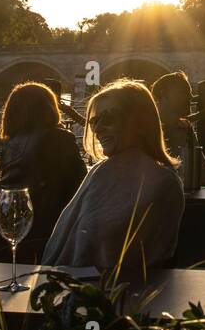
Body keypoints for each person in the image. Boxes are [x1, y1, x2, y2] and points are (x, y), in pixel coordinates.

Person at [42, 80, 184, 277]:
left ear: (139, 121)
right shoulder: (100, 171)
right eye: (94, 121)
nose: (98, 129)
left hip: (117, 297)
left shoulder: (162, 183)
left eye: (108, 118)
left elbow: (148, 262)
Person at [0, 82, 86, 257]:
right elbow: (82, 185)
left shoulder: (9, 144)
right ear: (49, 107)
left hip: (14, 228)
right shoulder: (60, 138)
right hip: (52, 230)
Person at [151, 71, 202, 185]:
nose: (191, 96)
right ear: (163, 95)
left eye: (190, 92)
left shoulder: (185, 128)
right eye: (183, 92)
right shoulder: (147, 130)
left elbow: (203, 172)